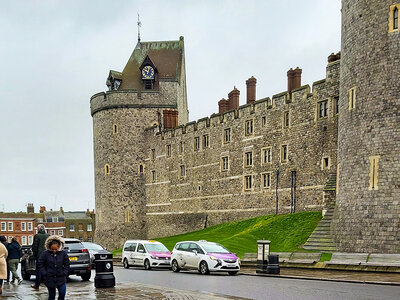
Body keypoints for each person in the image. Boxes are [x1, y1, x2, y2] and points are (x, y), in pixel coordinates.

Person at [38, 236, 70, 300]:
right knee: (52, 295)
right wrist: (45, 273)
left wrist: (64, 272)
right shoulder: (45, 254)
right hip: (50, 278)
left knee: (62, 293)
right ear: (49, 247)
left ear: (59, 247)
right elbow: (40, 264)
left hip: (61, 277)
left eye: (56, 249)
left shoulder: (63, 253)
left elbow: (67, 264)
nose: (54, 251)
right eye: (52, 249)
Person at [31, 224, 49, 290]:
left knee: (38, 270)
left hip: (40, 255)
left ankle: (37, 285)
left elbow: (35, 246)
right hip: (47, 255)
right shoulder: (48, 235)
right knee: (47, 269)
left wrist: (35, 255)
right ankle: (49, 284)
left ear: (38, 229)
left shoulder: (37, 236)